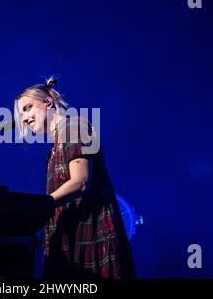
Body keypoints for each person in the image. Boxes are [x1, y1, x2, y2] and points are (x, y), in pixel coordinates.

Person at [15, 77, 135, 279]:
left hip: (92, 239)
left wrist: (41, 205)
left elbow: (81, 182)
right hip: (72, 243)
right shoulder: (54, 148)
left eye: (28, 108)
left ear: (48, 103)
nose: (25, 118)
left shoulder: (74, 127)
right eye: (21, 114)